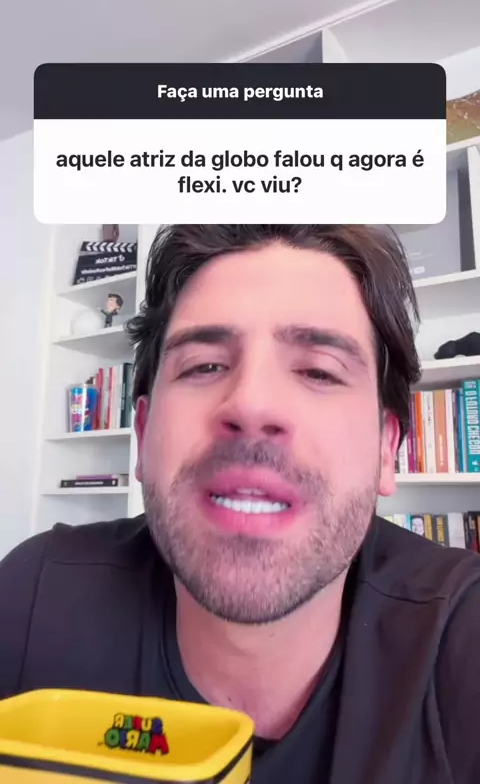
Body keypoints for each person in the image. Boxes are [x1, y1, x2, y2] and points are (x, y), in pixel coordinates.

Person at [1, 224, 479, 784]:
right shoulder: (32, 598)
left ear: (386, 450)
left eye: (319, 371)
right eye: (204, 366)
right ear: (144, 435)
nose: (251, 404)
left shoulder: (461, 642)